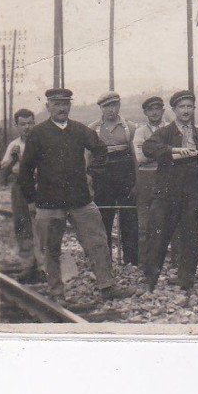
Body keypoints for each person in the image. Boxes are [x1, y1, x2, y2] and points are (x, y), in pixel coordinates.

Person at [18, 88, 125, 301]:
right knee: (51, 249)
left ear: (70, 106)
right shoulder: (37, 134)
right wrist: (31, 200)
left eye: (65, 103)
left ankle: (107, 286)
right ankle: (56, 292)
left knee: (97, 242)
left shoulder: (80, 130)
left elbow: (100, 149)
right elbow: (26, 170)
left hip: (81, 200)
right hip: (49, 203)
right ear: (48, 106)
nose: (61, 108)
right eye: (56, 104)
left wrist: (92, 173)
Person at [142, 90, 198, 295]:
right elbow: (148, 148)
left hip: (191, 195)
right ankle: (150, 282)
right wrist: (174, 151)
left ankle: (186, 282)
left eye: (189, 106)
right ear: (174, 110)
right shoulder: (165, 132)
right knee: (158, 237)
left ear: (194, 109)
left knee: (191, 238)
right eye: (181, 107)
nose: (186, 111)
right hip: (166, 194)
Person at [88, 91, 139, 265]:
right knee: (103, 219)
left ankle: (131, 261)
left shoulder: (130, 127)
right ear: (101, 108)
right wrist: (89, 181)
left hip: (126, 178)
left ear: (119, 105)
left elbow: (135, 158)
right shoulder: (93, 128)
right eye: (106, 106)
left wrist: (136, 182)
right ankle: (104, 261)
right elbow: (87, 158)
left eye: (114, 105)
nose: (110, 110)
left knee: (130, 219)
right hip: (102, 179)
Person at [0, 108, 43, 281]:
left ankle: (43, 266)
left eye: (30, 123)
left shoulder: (42, 142)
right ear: (16, 126)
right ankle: (27, 266)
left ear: (34, 123)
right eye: (23, 124)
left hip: (39, 184)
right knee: (22, 224)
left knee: (42, 224)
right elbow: (3, 171)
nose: (27, 127)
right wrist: (12, 158)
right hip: (19, 186)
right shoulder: (14, 145)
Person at [132, 96, 168, 267]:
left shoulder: (170, 129)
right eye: (150, 109)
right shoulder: (140, 131)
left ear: (163, 110)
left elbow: (176, 155)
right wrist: (165, 153)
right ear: (145, 112)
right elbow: (140, 157)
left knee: (169, 221)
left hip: (167, 177)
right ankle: (144, 262)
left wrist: (154, 153)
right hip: (146, 180)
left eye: (157, 109)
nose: (154, 112)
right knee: (144, 224)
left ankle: (171, 262)